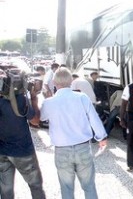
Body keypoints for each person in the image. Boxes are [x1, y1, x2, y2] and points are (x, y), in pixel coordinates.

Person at [40, 67, 107, 199]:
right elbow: (94, 119)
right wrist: (101, 137)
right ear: (71, 80)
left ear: (54, 82)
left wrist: (46, 99)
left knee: (66, 188)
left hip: (61, 150)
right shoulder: (82, 97)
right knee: (89, 186)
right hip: (83, 148)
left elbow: (41, 118)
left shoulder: (49, 102)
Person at [0, 69, 46, 199]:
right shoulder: (21, 100)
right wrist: (34, 98)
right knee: (35, 186)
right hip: (23, 151)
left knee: (5, 190)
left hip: (2, 152)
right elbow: (35, 121)